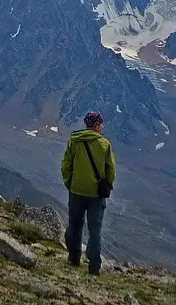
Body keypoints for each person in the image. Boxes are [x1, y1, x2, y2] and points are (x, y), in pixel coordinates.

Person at [60, 110, 116, 275]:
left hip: (76, 191)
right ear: (97, 125)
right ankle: (94, 267)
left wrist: (70, 183)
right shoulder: (104, 145)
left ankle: (74, 257)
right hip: (96, 196)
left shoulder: (74, 141)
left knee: (75, 224)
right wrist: (107, 187)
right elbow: (110, 171)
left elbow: (65, 165)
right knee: (95, 230)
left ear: (86, 124)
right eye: (101, 124)